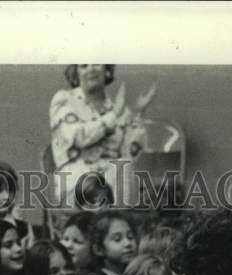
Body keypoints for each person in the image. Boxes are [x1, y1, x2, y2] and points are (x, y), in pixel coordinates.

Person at [48, 64, 156, 207]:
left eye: (97, 64)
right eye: (84, 66)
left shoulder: (111, 106)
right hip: (75, 181)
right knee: (107, 180)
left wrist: (137, 112)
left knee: (124, 166)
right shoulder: (64, 99)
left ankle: (119, 222)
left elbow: (127, 152)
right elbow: (78, 137)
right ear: (75, 73)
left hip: (110, 182)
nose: (91, 69)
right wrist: (114, 115)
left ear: (106, 71)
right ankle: (115, 220)